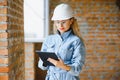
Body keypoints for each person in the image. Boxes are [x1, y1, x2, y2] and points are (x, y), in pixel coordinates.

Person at [38, 3, 86, 80]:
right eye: (57, 22)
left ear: (71, 21)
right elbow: (41, 65)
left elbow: (78, 69)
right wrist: (45, 61)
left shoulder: (76, 41)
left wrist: (62, 66)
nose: (60, 25)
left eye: (63, 22)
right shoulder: (48, 40)